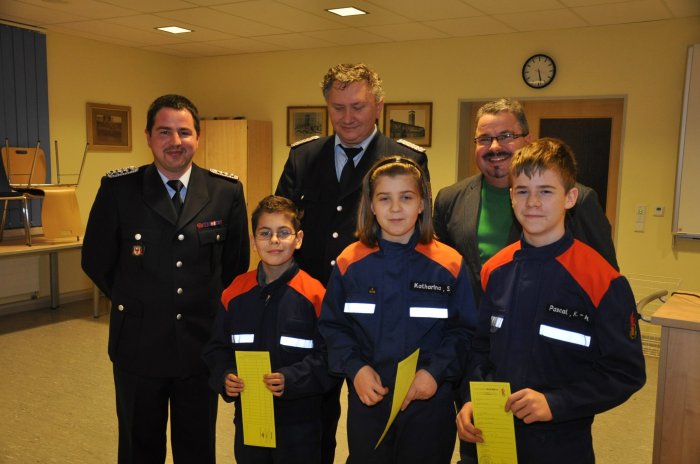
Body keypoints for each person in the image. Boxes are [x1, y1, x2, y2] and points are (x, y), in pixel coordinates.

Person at [81, 94, 250, 463]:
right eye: (164, 131)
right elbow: (95, 259)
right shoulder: (119, 190)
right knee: (138, 447)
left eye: (184, 132)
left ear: (198, 137)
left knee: (197, 448)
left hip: (199, 345)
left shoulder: (225, 192)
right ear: (148, 136)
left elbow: (235, 266)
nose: (175, 141)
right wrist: (136, 299)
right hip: (138, 344)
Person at [275, 63, 430, 463]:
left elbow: (420, 240)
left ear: (378, 106)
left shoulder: (404, 158)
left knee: (373, 427)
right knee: (309, 426)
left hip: (377, 313)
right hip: (310, 311)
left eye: (358, 106)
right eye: (337, 107)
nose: (347, 118)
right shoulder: (304, 157)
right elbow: (282, 228)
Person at [456, 138, 645, 464]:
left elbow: (625, 372)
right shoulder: (495, 270)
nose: (532, 202)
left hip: (560, 443)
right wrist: (472, 399)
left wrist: (556, 403)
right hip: (493, 436)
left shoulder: (601, 280)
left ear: (570, 198)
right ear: (511, 197)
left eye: (545, 191)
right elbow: (480, 350)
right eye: (522, 191)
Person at [319, 156, 476, 464]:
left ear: (422, 204)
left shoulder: (449, 263)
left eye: (406, 197)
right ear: (371, 206)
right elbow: (333, 326)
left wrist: (435, 373)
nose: (395, 208)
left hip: (429, 401)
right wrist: (356, 369)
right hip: (369, 399)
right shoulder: (350, 262)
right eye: (384, 199)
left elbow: (463, 331)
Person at [434, 98, 618, 303]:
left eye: (506, 136)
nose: (494, 147)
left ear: (528, 141)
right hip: (474, 321)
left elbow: (605, 280)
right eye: (484, 139)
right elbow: (442, 271)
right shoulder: (449, 199)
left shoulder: (578, 200)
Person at [203, 195, 338, 464]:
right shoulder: (234, 293)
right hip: (251, 420)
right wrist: (225, 376)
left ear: (298, 239)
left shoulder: (315, 295)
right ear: (253, 242)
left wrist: (292, 378)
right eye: (265, 233)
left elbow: (331, 357)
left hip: (300, 424)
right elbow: (216, 349)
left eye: (283, 233)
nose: (274, 240)